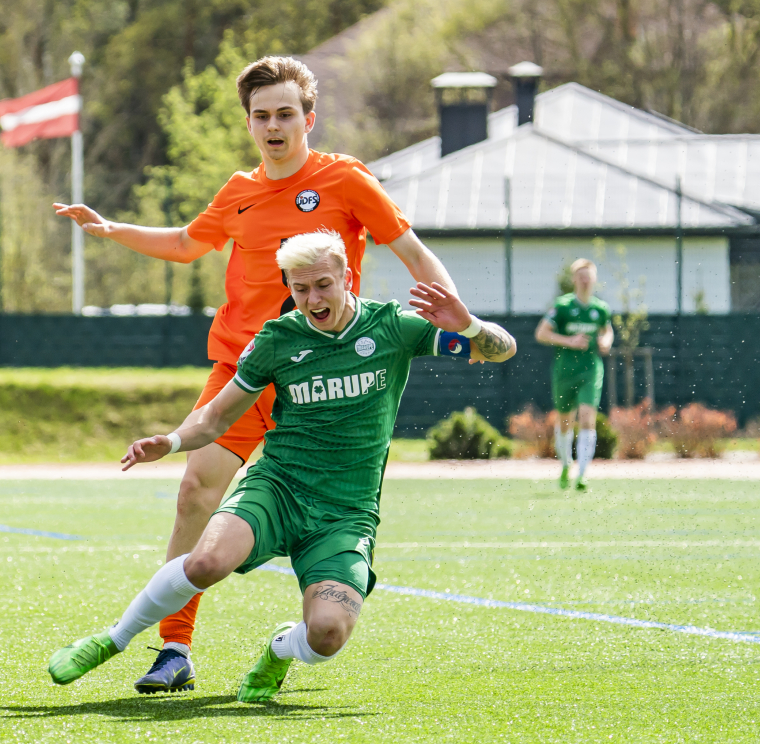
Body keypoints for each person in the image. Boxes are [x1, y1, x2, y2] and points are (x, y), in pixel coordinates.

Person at [54, 56, 465, 693]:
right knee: (195, 489)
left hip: (320, 372)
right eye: (261, 116)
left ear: (308, 117)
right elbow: (188, 242)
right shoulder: (239, 191)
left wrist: (455, 315)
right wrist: (113, 230)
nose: (273, 126)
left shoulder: (346, 181)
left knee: (321, 505)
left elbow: (410, 251)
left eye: (285, 113)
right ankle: (174, 649)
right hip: (244, 371)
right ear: (248, 123)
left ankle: (313, 610)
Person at [47, 230, 515, 703]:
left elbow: (504, 350)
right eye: (300, 288)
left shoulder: (393, 327)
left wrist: (469, 325)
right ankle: (113, 639)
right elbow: (215, 417)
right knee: (207, 561)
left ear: (347, 278)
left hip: (345, 513)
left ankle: (279, 649)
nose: (312, 299)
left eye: (323, 285)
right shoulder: (276, 339)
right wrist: (169, 441)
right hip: (279, 489)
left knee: (327, 635)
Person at [535, 259, 613, 490]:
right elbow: (541, 333)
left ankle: (582, 474)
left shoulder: (600, 309)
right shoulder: (562, 306)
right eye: (581, 276)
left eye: (588, 275)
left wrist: (606, 341)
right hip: (565, 371)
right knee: (565, 421)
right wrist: (569, 340)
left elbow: (607, 330)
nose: (585, 280)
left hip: (590, 369)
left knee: (588, 418)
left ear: (595, 279)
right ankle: (566, 464)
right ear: (574, 279)